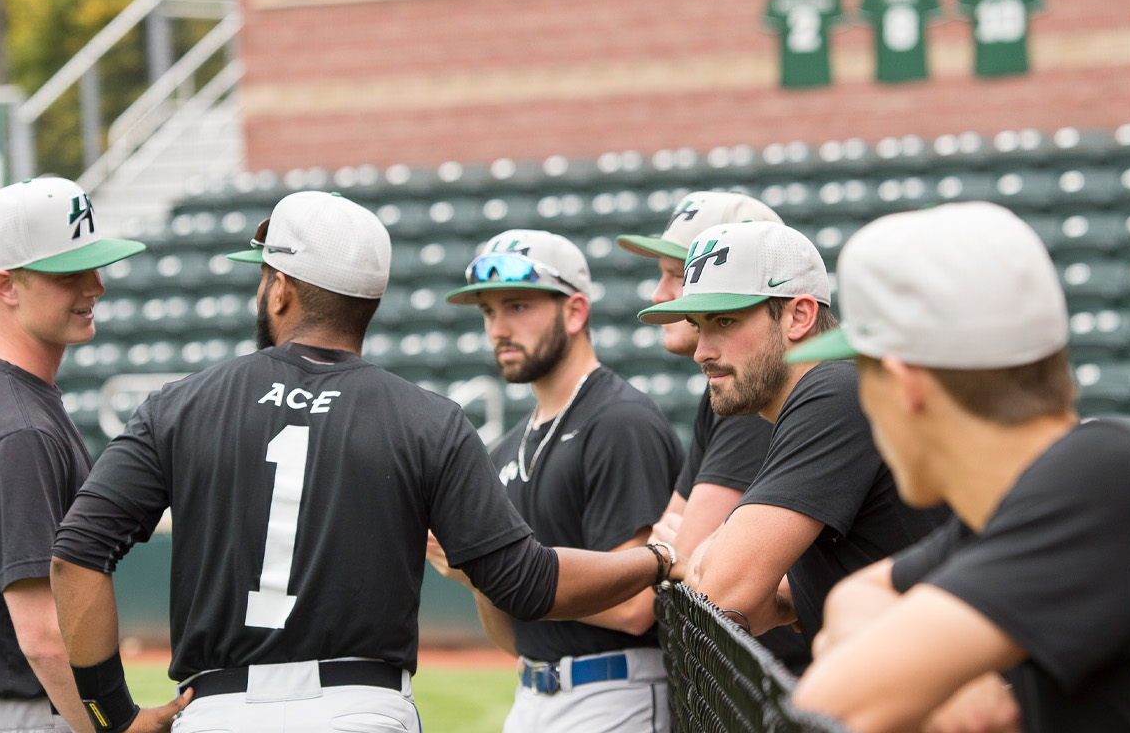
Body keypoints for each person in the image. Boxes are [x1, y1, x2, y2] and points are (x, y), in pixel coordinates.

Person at [49, 193, 676, 733]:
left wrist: (113, 715)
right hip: (363, 709)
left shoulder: (180, 404)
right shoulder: (429, 418)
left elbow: (77, 552)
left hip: (220, 710)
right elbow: (527, 583)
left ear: (282, 290)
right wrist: (656, 561)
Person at [787, 202, 1130, 733]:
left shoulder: (1106, 482)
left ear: (906, 384)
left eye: (865, 375)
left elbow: (829, 703)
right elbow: (855, 598)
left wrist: (914, 670)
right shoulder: (1062, 486)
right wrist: (946, 676)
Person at [636, 221, 947, 643]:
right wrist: (711, 561)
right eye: (697, 324)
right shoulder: (828, 392)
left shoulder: (834, 391)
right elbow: (774, 605)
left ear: (799, 315)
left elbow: (717, 595)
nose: (701, 351)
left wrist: (697, 556)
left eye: (724, 321)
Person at [0, 177, 146, 733]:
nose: (96, 286)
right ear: (6, 286)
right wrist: (115, 727)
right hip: (9, 716)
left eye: (95, 266)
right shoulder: (16, 425)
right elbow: (43, 637)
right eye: (69, 274)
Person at [434, 229, 684, 733]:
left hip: (616, 691)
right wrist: (480, 575)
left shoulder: (620, 422)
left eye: (518, 306)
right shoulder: (505, 449)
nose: (498, 328)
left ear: (574, 312)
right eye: (488, 311)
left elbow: (636, 605)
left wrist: (499, 569)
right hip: (532, 692)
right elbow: (513, 637)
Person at [616, 192, 811, 671]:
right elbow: (673, 551)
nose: (662, 295)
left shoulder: (763, 391)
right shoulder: (728, 392)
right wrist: (679, 551)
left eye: (676, 274)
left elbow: (700, 576)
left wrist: (681, 551)